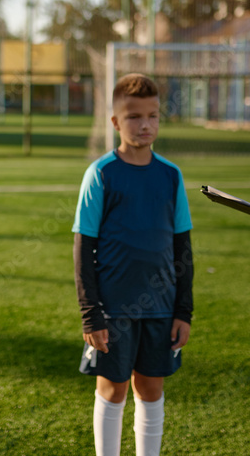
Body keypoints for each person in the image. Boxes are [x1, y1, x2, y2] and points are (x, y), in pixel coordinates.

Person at [72, 73, 194, 456]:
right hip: (113, 308)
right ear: (115, 122)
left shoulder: (171, 175)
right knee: (113, 389)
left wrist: (183, 310)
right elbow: (82, 250)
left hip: (161, 307)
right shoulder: (101, 174)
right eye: (134, 116)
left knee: (151, 388)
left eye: (153, 115)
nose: (145, 124)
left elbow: (182, 248)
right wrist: (91, 314)